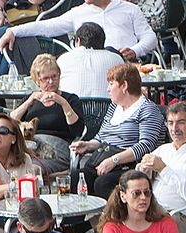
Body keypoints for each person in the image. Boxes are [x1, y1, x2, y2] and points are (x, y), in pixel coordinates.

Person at [3, 0, 157, 71]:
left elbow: (150, 37)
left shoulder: (129, 8)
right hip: (90, 68)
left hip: (126, 66)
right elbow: (48, 27)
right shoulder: (78, 12)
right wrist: (14, 31)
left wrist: (135, 51)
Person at [69, 63, 166, 204]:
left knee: (102, 183)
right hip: (103, 158)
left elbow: (145, 146)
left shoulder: (148, 110)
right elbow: (102, 136)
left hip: (130, 165)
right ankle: (76, 224)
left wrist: (114, 160)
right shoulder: (115, 107)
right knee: (76, 177)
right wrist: (88, 145)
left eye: (111, 84)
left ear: (124, 86)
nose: (108, 90)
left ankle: (115, 222)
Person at [139, 102, 186, 221]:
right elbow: (140, 179)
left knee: (132, 226)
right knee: (112, 219)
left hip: (177, 216)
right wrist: (143, 169)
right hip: (148, 209)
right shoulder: (163, 149)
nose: (174, 129)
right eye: (170, 123)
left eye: (181, 122)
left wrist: (163, 169)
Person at [99, 169, 181, 233]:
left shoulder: (166, 223)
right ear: (123, 196)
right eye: (136, 193)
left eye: (147, 193)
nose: (143, 198)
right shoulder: (112, 228)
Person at [12, 53, 83, 172]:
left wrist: (62, 103)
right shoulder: (31, 100)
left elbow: (77, 131)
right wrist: (29, 102)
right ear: (37, 80)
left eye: (54, 76)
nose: (51, 82)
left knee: (30, 169)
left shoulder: (70, 99)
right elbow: (11, 121)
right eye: (45, 78)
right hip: (29, 147)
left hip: (56, 149)